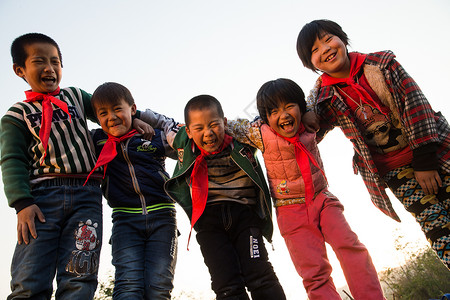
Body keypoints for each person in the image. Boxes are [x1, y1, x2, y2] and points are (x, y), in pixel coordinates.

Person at [296, 19, 450, 269]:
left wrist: (424, 160)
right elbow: (310, 133)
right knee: (436, 227)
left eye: (327, 39)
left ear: (342, 39)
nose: (324, 49)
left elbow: (416, 104)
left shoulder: (382, 65)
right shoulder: (324, 97)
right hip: (394, 170)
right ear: (310, 64)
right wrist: (305, 115)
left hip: (433, 151)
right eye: (314, 50)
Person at [227, 78, 385, 299]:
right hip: (291, 213)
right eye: (273, 111)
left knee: (351, 247)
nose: (283, 115)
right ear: (265, 118)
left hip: (322, 200)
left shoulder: (309, 124)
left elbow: (317, 89)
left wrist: (310, 109)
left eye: (289, 106)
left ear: (300, 107)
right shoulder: (260, 134)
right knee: (314, 273)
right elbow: (229, 125)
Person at [0, 33, 103, 299]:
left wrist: (135, 118)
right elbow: (12, 159)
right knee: (30, 275)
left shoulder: (76, 97)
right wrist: (22, 203)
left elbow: (109, 109)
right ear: (20, 69)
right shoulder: (16, 115)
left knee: (80, 275)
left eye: (55, 61)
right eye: (39, 61)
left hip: (86, 196)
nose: (50, 68)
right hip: (41, 201)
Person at [154, 95, 286, 300]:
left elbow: (265, 121)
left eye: (214, 124)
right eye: (198, 128)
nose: (208, 133)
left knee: (260, 275)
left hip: (244, 215)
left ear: (224, 123)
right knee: (226, 284)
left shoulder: (241, 137)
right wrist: (135, 117)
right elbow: (162, 122)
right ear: (188, 131)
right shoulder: (182, 141)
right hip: (209, 223)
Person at [88, 82, 178, 300]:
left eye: (118, 109)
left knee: (159, 285)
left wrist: (143, 119)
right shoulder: (96, 141)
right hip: (125, 221)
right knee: (128, 285)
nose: (112, 117)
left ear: (133, 108)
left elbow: (181, 134)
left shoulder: (151, 136)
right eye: (103, 113)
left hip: (162, 217)